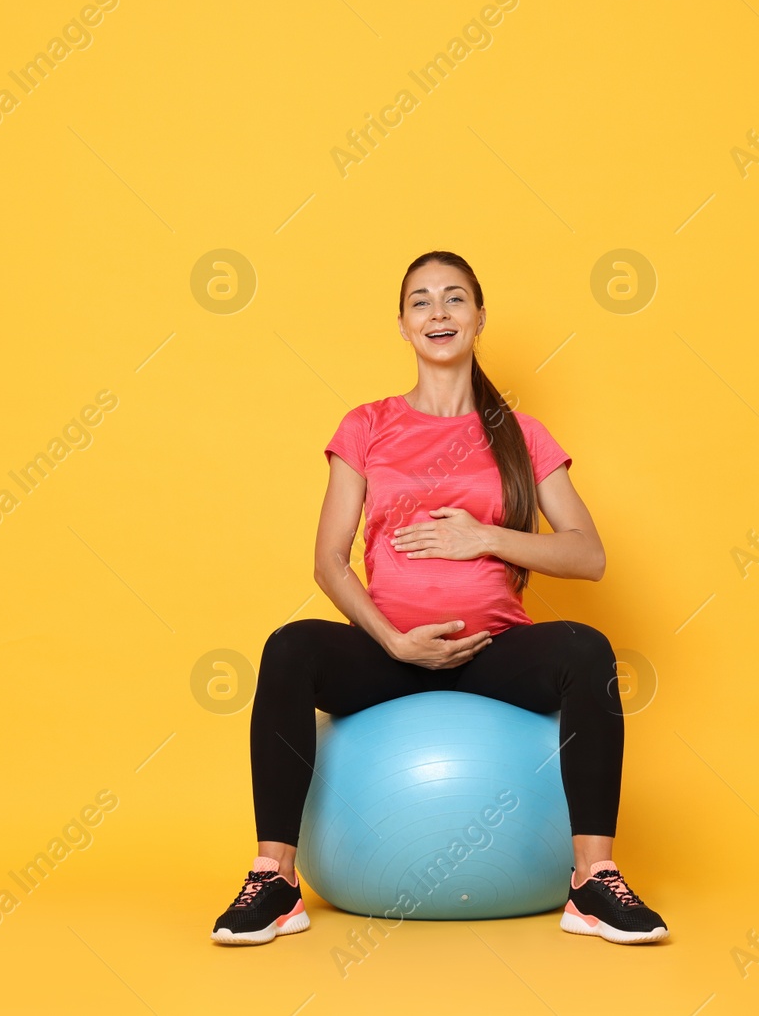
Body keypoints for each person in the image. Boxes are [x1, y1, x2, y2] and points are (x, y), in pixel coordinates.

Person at [211, 251, 668, 946]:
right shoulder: (366, 425)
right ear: (403, 325)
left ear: (480, 317)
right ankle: (274, 878)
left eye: (455, 299)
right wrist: (393, 640)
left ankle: (592, 881)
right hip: (387, 653)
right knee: (289, 648)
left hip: (492, 653)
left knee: (587, 648)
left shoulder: (521, 433)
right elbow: (328, 560)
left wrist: (486, 536)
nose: (439, 313)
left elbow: (588, 553)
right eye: (421, 301)